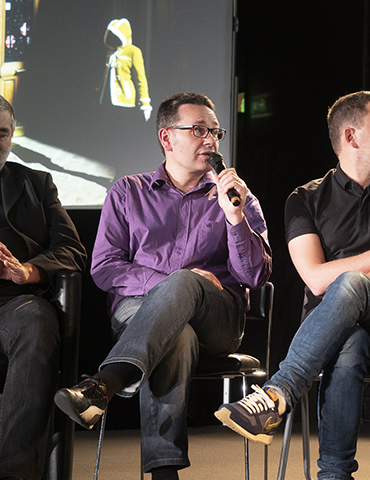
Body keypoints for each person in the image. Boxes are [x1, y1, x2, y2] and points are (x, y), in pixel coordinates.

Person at [216, 91, 370, 479]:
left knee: (350, 285)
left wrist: (358, 277)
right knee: (349, 342)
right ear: (351, 137)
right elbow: (314, 278)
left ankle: (278, 392)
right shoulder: (304, 199)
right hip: (332, 334)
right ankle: (335, 475)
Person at [54, 92, 272, 480]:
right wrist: (168, 283)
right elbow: (104, 268)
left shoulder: (235, 196)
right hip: (139, 314)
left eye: (215, 132)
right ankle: (164, 473)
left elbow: (254, 276)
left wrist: (235, 218)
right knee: (177, 335)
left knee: (186, 292)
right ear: (166, 137)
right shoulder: (127, 192)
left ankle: (105, 383)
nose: (210, 140)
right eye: (199, 130)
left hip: (217, 319)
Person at [0, 95, 86, 480]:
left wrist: (27, 272)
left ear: (12, 136)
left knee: (37, 321)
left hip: (16, 303)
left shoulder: (35, 182)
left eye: (2, 133)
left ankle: (14, 469)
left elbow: (71, 250)